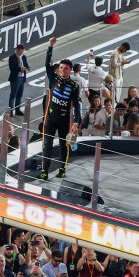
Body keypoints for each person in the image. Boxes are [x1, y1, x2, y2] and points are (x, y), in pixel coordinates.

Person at [39, 37, 81, 180]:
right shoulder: (53, 79)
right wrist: (50, 47)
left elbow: (76, 104)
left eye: (66, 68)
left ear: (70, 70)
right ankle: (44, 170)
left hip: (64, 120)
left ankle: (62, 169)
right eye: (61, 68)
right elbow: (46, 64)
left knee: (64, 145)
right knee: (47, 145)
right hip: (50, 119)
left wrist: (76, 122)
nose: (63, 70)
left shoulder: (74, 86)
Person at [7, 44, 30, 112]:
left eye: (23, 51)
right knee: (13, 95)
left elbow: (26, 64)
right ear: (17, 50)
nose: (22, 53)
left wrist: (28, 67)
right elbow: (12, 68)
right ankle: (10, 110)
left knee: (20, 94)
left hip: (22, 78)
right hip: (15, 78)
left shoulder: (24, 57)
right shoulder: (12, 57)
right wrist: (20, 68)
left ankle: (18, 109)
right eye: (21, 51)